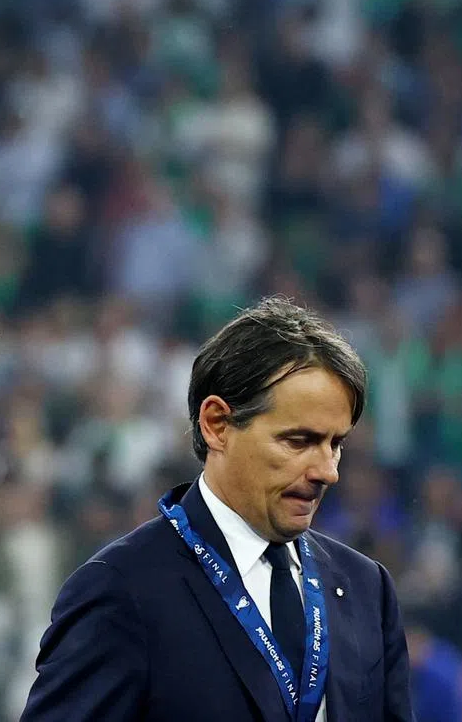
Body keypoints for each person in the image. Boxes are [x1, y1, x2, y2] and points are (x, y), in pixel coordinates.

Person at [21, 297, 415, 721]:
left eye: (335, 444)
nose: (327, 471)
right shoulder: (121, 590)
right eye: (299, 441)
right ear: (217, 424)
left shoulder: (365, 588)